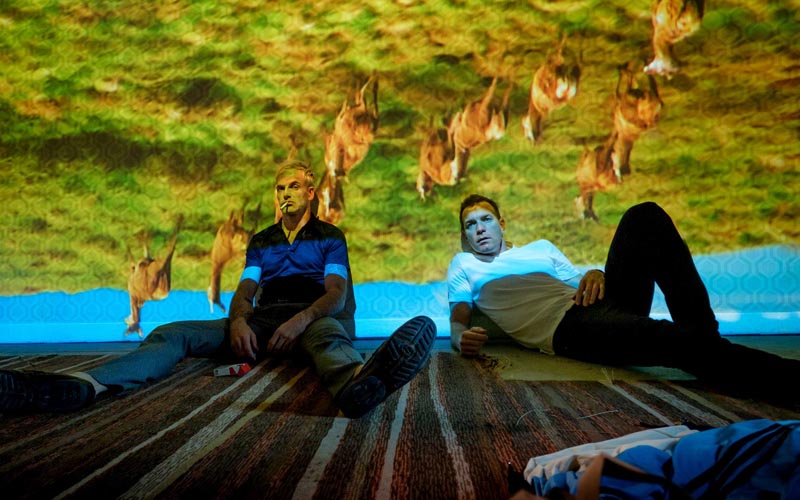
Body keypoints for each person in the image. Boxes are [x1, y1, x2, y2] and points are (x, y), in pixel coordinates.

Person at [0, 160, 436, 418]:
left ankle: (356, 385)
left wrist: (300, 320)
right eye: (279, 189)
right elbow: (245, 290)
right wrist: (239, 321)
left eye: (294, 187)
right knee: (174, 333)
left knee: (328, 337)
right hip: (263, 322)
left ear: (311, 192)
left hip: (313, 318)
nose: (285, 194)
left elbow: (336, 294)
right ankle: (84, 384)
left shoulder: (329, 237)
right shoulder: (262, 240)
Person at [447, 194, 799, 405]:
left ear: (502, 223)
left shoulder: (541, 249)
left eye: (486, 219)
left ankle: (704, 340)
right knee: (671, 340)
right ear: (465, 236)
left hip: (599, 301)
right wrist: (462, 338)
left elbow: (581, 282)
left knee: (644, 215)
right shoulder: (465, 265)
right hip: (570, 327)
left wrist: (596, 272)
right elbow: (458, 320)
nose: (479, 228)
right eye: (470, 225)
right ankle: (781, 377)